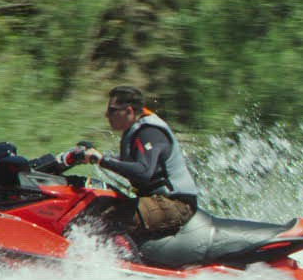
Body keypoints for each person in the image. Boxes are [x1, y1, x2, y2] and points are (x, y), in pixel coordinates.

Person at [39, 87, 202, 247]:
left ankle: (111, 260)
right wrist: (91, 156)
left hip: (175, 204)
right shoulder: (136, 130)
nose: (107, 115)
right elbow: (127, 164)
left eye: (112, 110)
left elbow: (143, 172)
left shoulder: (149, 132)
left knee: (107, 218)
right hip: (158, 200)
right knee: (95, 205)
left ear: (129, 111)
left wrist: (101, 160)